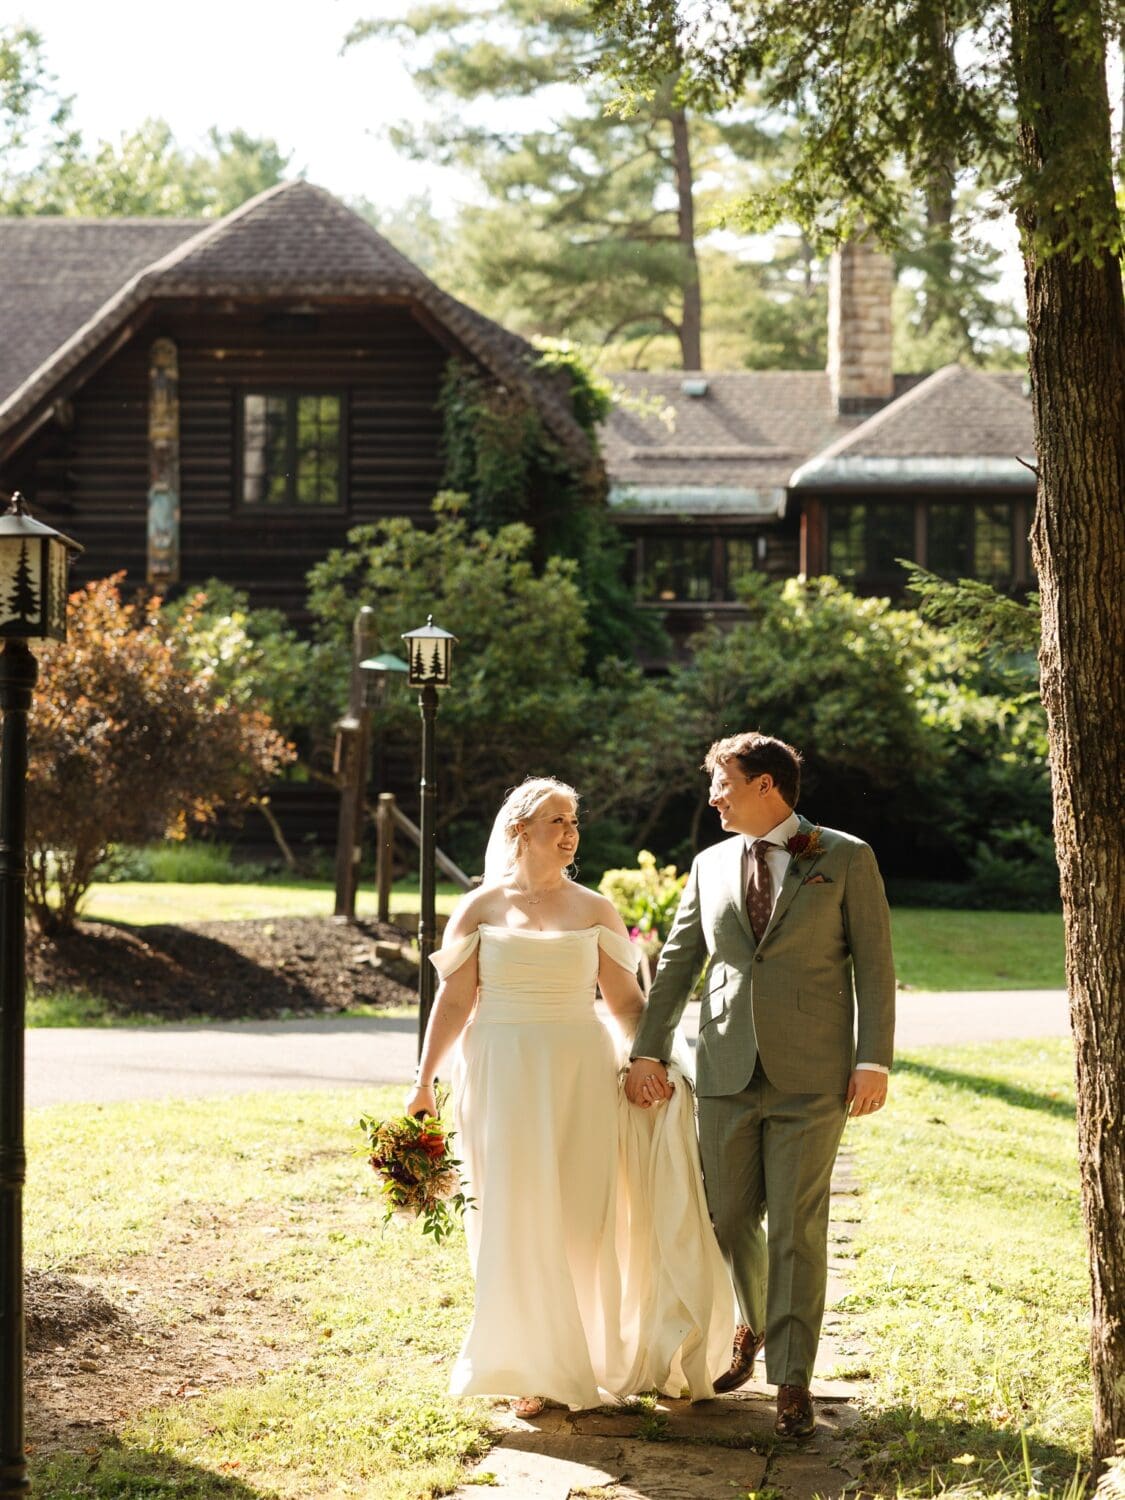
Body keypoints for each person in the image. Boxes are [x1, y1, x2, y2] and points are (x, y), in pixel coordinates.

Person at [406, 776, 734, 1415]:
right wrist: (423, 1082)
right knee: (510, 1212)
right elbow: (454, 1002)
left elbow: (628, 1004)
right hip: (500, 1072)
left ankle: (579, 1352)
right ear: (519, 830)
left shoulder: (595, 910)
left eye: (573, 822)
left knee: (582, 1217)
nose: (569, 832)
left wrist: (649, 1062)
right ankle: (529, 1365)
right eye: (556, 821)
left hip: (580, 1075)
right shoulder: (479, 910)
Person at [625, 733, 896, 1439]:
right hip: (722, 1068)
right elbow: (678, 963)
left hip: (812, 1073)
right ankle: (750, 1322)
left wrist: (874, 1060)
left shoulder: (845, 857)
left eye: (723, 782)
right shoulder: (710, 864)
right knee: (728, 1217)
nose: (712, 796)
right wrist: (645, 1053)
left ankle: (793, 1379)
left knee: (798, 1228)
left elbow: (872, 966)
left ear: (766, 785)